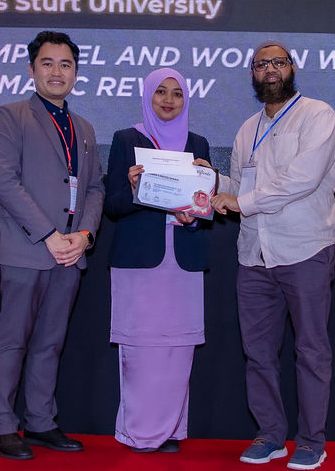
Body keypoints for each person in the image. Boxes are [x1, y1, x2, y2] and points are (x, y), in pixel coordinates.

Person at [211, 40, 335, 471]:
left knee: (311, 351)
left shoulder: (317, 115)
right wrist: (207, 180)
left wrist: (240, 202)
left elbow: (302, 179)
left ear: (292, 68)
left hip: (304, 248)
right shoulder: (247, 129)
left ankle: (311, 441)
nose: (270, 69)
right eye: (261, 64)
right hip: (254, 254)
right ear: (252, 73)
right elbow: (239, 185)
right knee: (258, 353)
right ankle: (270, 434)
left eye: (278, 62)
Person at [0, 31, 104, 460]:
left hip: (71, 253)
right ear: (31, 69)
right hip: (27, 250)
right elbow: (3, 181)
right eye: (48, 63)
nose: (57, 71)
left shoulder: (84, 128)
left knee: (50, 342)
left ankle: (40, 421)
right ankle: (2, 426)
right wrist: (49, 234)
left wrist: (84, 236)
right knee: (12, 340)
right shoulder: (11, 116)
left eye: (66, 64)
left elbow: (94, 189)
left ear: (76, 72)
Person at [104, 68, 213, 453]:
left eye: (177, 93)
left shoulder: (198, 143)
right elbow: (112, 206)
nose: (169, 100)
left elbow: (202, 207)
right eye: (161, 92)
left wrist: (196, 213)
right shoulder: (126, 139)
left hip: (183, 260)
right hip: (140, 261)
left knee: (178, 350)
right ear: (148, 96)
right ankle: (138, 433)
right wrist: (135, 189)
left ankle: (169, 431)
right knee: (141, 350)